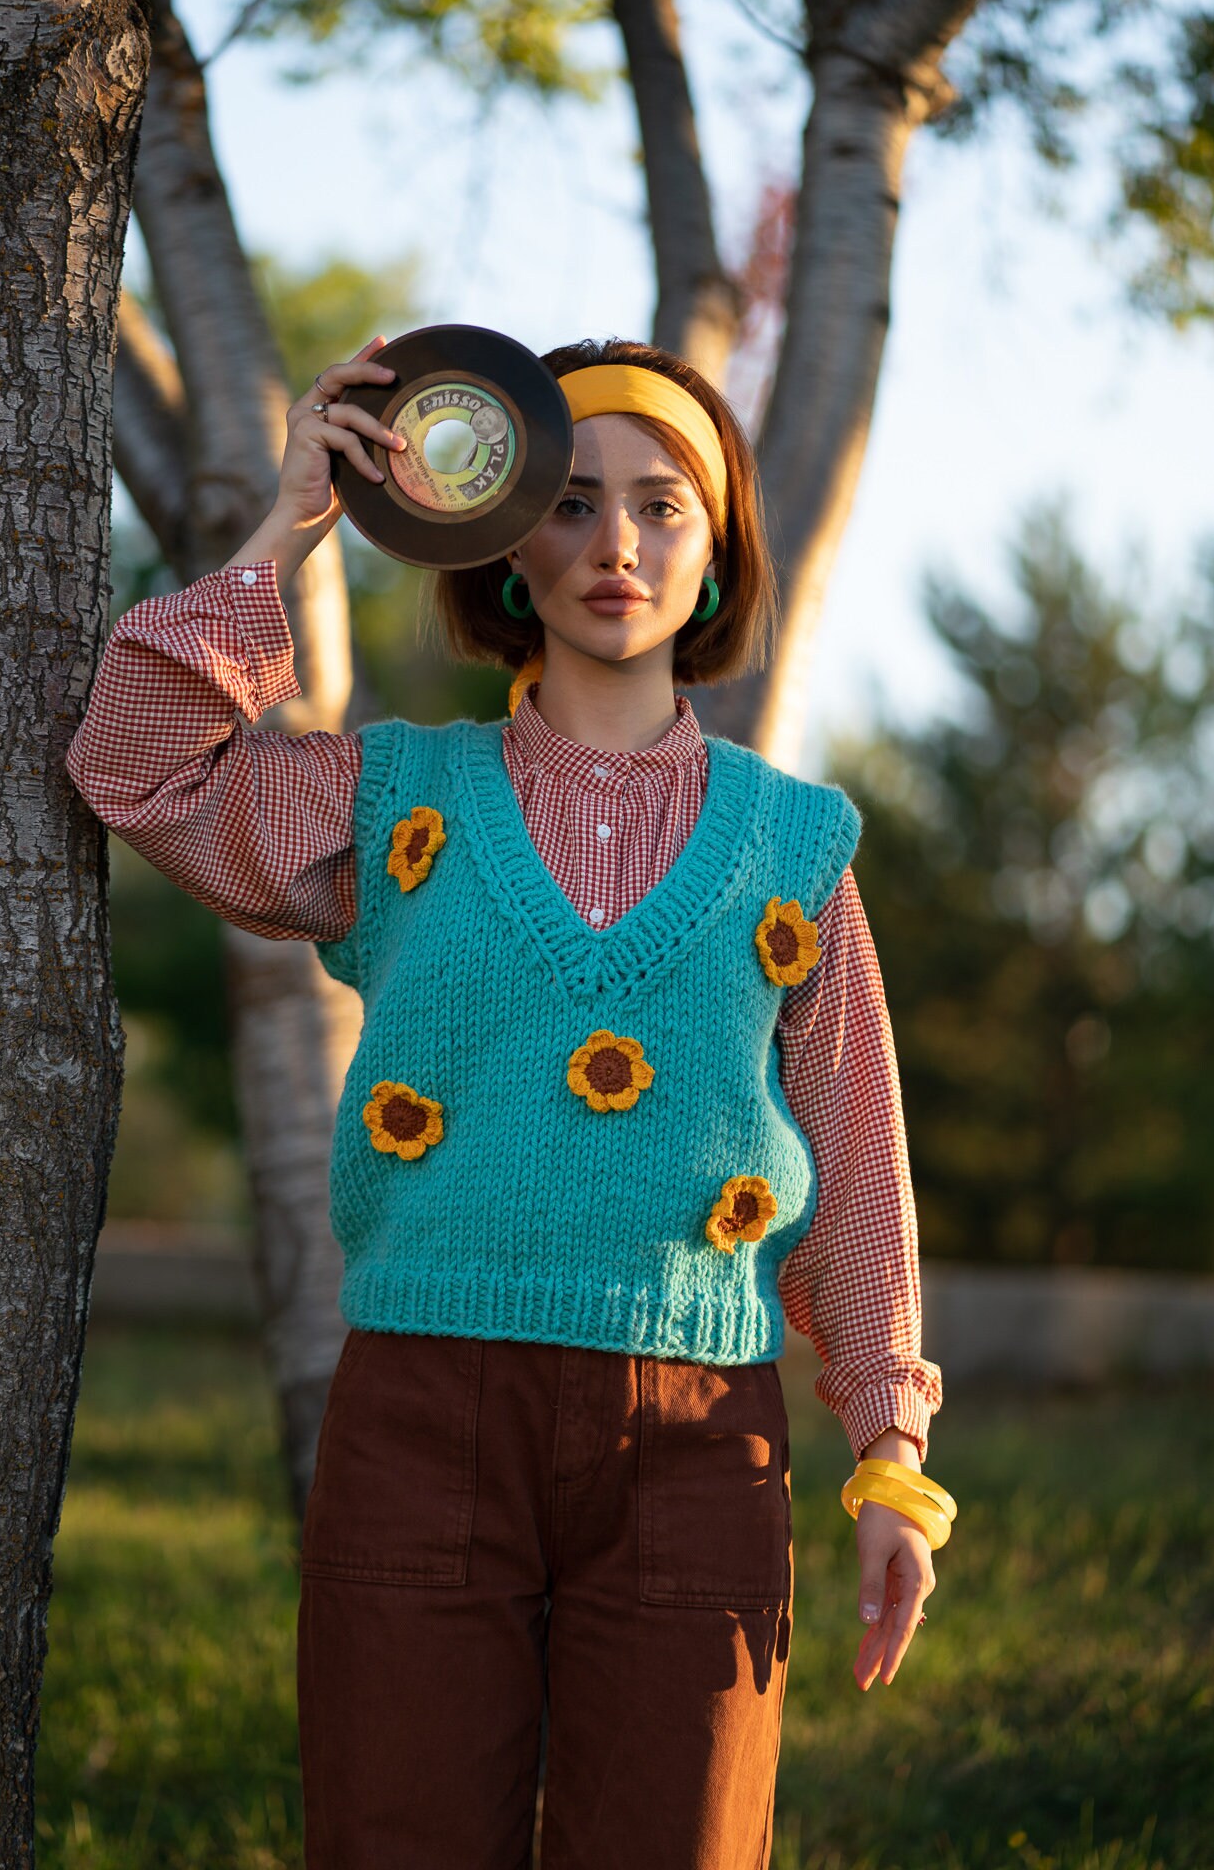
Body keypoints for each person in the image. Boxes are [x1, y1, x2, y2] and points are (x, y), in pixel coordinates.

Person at [66, 333, 948, 1870]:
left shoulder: (798, 845)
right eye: (570, 502)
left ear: (721, 545)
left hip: (697, 1440)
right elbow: (135, 764)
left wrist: (889, 1452)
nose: (616, 542)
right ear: (499, 542)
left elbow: (855, 1155)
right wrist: (289, 530)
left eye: (662, 504)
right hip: (423, 1415)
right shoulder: (391, 799)